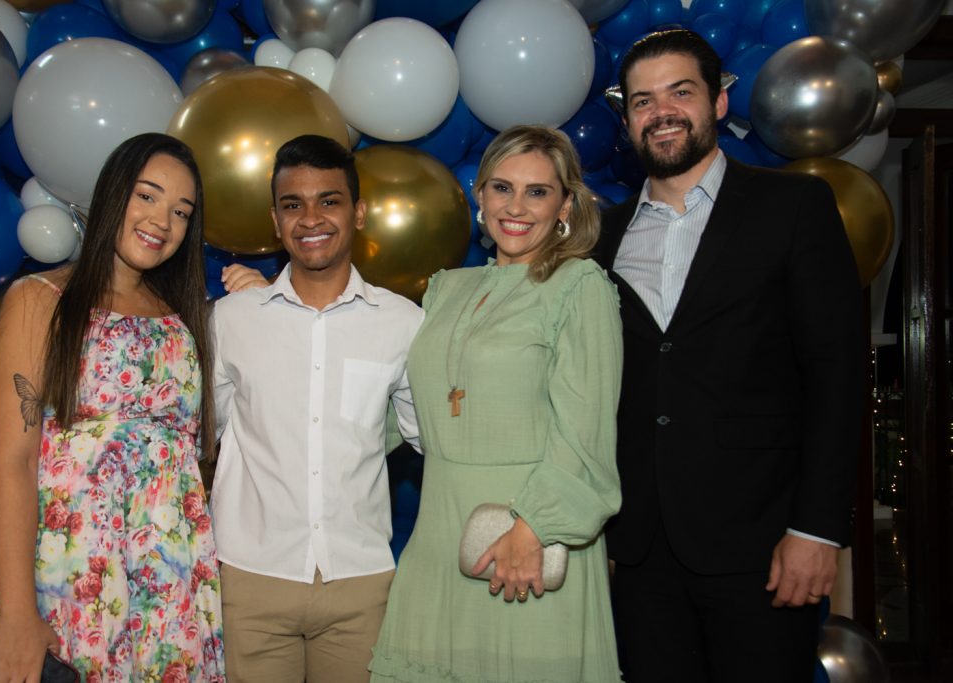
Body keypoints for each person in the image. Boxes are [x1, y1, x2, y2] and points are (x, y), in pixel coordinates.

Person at [596, 29, 865, 682]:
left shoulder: (794, 207)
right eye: (641, 100)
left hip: (766, 548)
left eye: (679, 92)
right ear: (627, 118)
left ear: (717, 102)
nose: (660, 111)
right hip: (637, 553)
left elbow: (837, 373)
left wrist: (818, 529)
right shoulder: (601, 236)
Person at [0, 133, 225, 681]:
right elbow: (9, 463)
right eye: (147, 196)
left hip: (161, 584)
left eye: (181, 211)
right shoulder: (40, 299)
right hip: (58, 578)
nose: (162, 219)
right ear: (112, 194)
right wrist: (18, 614)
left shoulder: (182, 320)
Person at [369, 125, 624, 682]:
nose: (517, 207)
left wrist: (533, 530)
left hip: (529, 536)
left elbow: (586, 434)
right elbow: (397, 405)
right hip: (439, 532)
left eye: (538, 191)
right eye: (502, 187)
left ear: (565, 205)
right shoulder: (445, 289)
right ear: (479, 195)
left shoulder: (579, 286)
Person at [210, 134, 424, 683]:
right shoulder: (231, 321)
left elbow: (429, 437)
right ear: (275, 221)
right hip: (250, 575)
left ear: (358, 212)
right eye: (292, 204)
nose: (311, 218)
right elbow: (196, 437)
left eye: (329, 200)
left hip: (360, 579)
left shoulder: (403, 323)